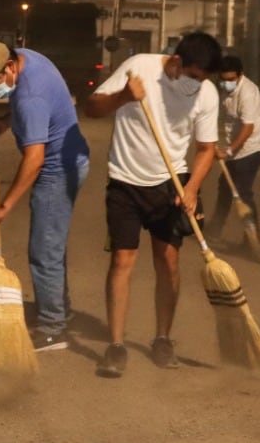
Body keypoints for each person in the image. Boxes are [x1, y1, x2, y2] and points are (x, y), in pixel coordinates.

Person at [83, 32, 222, 377]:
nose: (196, 85)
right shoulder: (138, 68)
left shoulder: (206, 94)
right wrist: (122, 97)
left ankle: (163, 337)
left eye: (202, 79)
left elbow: (206, 150)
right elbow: (92, 107)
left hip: (169, 183)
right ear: (176, 61)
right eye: (192, 76)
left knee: (168, 262)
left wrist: (192, 188)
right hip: (125, 182)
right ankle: (116, 347)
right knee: (122, 261)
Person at [0, 39, 91, 351]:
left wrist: (4, 206)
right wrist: (6, 123)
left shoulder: (30, 96)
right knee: (52, 245)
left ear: (10, 66)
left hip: (58, 169)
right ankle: (60, 311)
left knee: (44, 250)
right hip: (71, 158)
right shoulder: (29, 57)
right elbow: (41, 114)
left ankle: (53, 329)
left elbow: (34, 160)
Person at [210, 54, 260, 246]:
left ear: (240, 75)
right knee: (225, 186)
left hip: (251, 147)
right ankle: (215, 229)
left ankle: (253, 238)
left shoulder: (248, 92)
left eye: (231, 80)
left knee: (242, 191)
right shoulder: (224, 90)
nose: (227, 83)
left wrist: (228, 152)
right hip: (234, 147)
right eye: (223, 79)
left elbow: (248, 128)